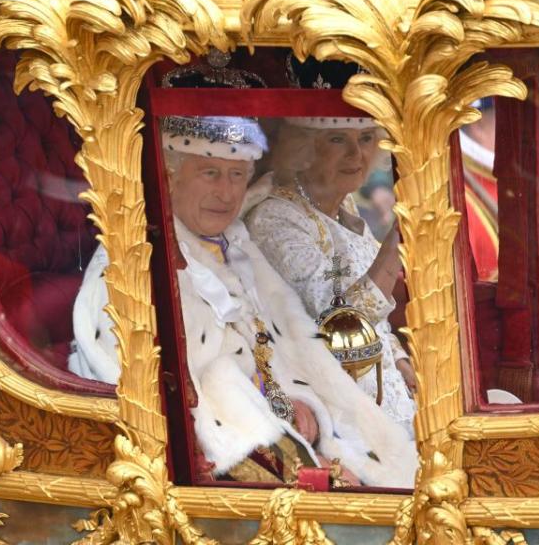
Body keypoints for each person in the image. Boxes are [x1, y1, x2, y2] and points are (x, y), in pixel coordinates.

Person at [69, 111, 416, 488]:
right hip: (228, 456)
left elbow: (283, 354)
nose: (226, 193)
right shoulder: (134, 266)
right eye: (210, 173)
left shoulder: (236, 246)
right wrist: (309, 459)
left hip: (292, 430)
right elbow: (194, 407)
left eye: (237, 175)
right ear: (170, 178)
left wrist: (302, 401)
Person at [245, 56, 417, 433]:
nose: (356, 155)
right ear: (305, 146)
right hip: (336, 416)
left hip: (388, 400)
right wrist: (401, 234)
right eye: (338, 139)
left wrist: (402, 362)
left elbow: (378, 323)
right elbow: (343, 321)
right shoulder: (275, 219)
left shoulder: (342, 206)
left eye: (366, 139)